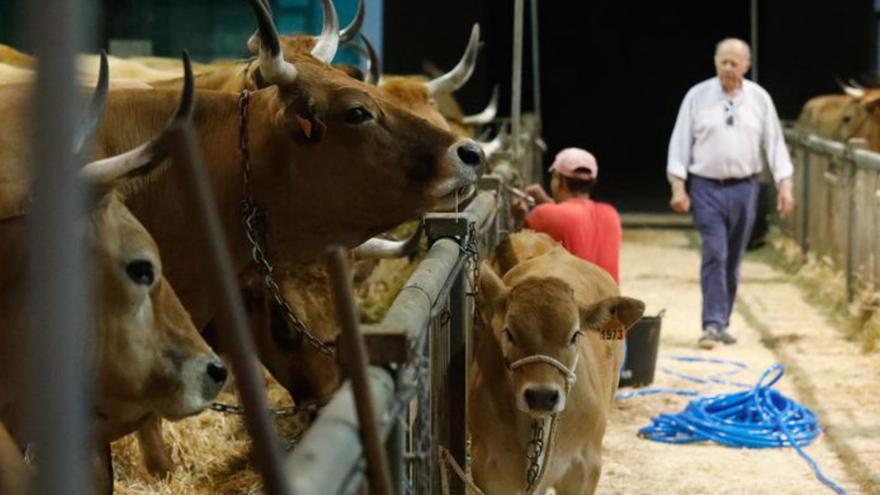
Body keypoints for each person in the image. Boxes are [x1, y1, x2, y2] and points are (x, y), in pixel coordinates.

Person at [667, 38, 794, 349]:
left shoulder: (759, 99)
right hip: (706, 186)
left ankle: (722, 321)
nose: (727, 68)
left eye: (734, 63)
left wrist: (785, 185)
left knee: (733, 258)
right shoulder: (697, 97)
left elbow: (775, 144)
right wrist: (678, 186)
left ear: (746, 66)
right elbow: (680, 142)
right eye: (723, 61)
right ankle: (711, 323)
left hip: (745, 187)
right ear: (715, 63)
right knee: (715, 251)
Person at [512, 147, 622, 284]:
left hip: (573, 302)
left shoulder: (544, 214)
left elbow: (513, 254)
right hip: (611, 301)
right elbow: (575, 214)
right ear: (593, 182)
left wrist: (518, 218)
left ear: (559, 180)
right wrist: (547, 201)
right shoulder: (611, 213)